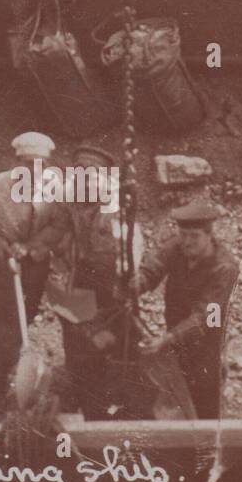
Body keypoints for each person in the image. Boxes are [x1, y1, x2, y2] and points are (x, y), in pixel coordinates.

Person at [0, 131, 71, 412]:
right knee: (5, 319)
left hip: (35, 261)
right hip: (3, 265)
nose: (34, 170)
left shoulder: (56, 186)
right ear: (16, 161)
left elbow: (60, 224)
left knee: (26, 312)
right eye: (28, 163)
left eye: (40, 163)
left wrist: (33, 246)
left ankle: (18, 359)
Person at [51, 144, 140, 418]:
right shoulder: (65, 211)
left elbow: (132, 261)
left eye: (91, 177)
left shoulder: (118, 216)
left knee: (124, 352)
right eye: (78, 176)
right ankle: (85, 398)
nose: (84, 183)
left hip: (114, 296)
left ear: (104, 181)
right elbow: (57, 276)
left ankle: (126, 403)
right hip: (79, 295)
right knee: (81, 354)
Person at [136, 201, 240, 419]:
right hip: (175, 345)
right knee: (176, 406)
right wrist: (138, 283)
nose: (187, 242)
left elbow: (204, 317)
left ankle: (207, 451)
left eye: (194, 236)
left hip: (205, 351)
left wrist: (168, 338)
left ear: (209, 235)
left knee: (205, 411)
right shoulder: (177, 248)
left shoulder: (225, 268)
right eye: (183, 234)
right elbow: (153, 269)